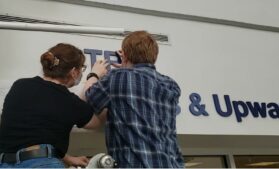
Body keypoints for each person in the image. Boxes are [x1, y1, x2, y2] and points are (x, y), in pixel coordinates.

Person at [83, 31, 184, 168]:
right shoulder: (171, 85)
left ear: (124, 55)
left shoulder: (117, 77)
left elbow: (90, 98)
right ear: (154, 56)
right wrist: (126, 68)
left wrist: (94, 74)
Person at [0, 43, 107, 168]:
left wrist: (66, 158)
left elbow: (31, 138)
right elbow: (95, 122)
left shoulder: (20, 85)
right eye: (82, 69)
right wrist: (94, 77)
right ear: (73, 72)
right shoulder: (67, 101)